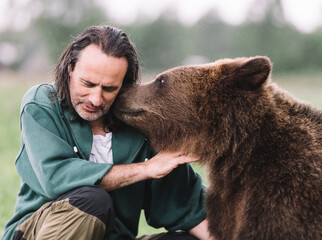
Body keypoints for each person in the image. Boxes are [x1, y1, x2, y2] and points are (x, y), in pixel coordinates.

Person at [2, 25, 211, 240]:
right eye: (88, 84)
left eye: (109, 89)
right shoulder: (42, 104)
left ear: (124, 85)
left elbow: (189, 207)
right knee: (92, 201)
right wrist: (146, 169)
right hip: (37, 232)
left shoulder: (142, 125)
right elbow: (56, 177)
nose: (95, 99)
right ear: (70, 68)